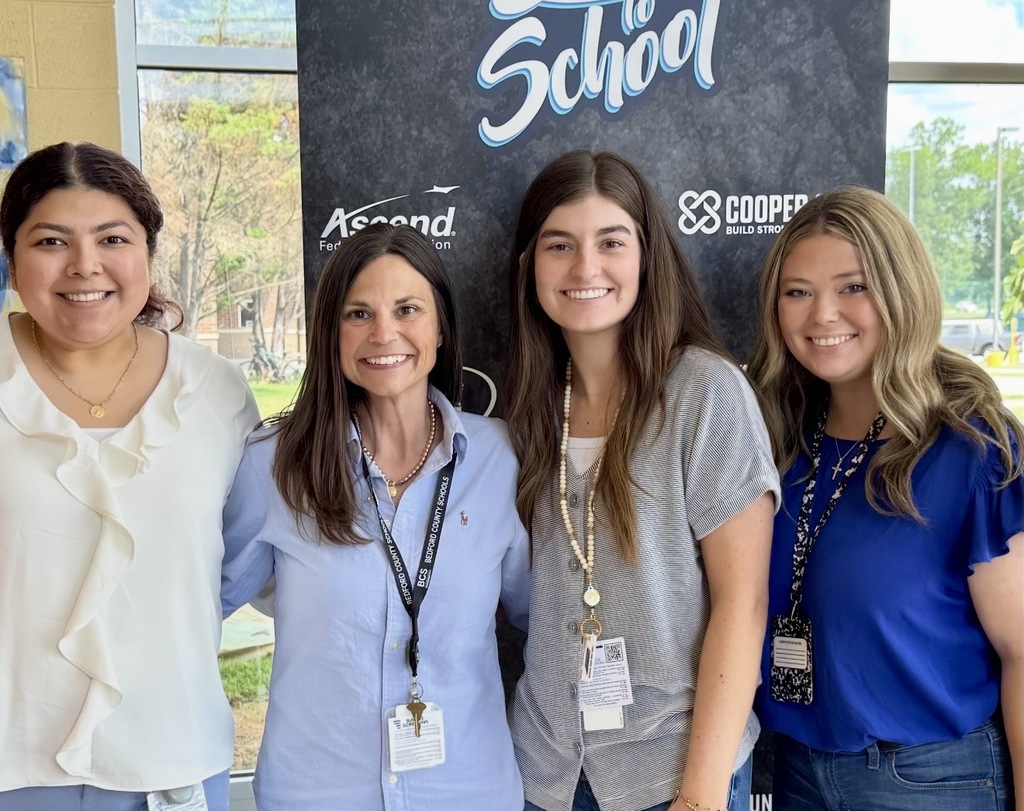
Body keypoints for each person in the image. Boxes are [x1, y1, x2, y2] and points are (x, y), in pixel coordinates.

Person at [221, 223, 531, 811]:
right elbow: (198, 605)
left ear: (440, 328)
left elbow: (540, 611)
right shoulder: (275, 466)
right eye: (358, 313)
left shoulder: (502, 461)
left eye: (407, 309)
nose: (383, 332)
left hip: (469, 790)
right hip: (315, 792)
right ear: (331, 334)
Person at [504, 149, 779, 811]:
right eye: (559, 245)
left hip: (674, 776)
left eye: (611, 242)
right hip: (545, 778)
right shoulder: (530, 405)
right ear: (529, 265)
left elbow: (743, 604)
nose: (585, 268)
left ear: (646, 256)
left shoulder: (703, 392)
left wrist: (704, 792)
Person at [0, 142, 259, 810]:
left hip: (169, 756)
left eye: (113, 238)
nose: (84, 266)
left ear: (146, 250)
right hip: (12, 762)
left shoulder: (215, 391)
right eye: (51, 240)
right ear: (12, 255)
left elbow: (235, 566)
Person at [748, 186, 1023, 811]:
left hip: (929, 780)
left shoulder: (971, 447)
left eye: (853, 287)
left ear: (902, 291)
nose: (822, 314)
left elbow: (1022, 651)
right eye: (797, 291)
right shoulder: (773, 436)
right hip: (793, 770)